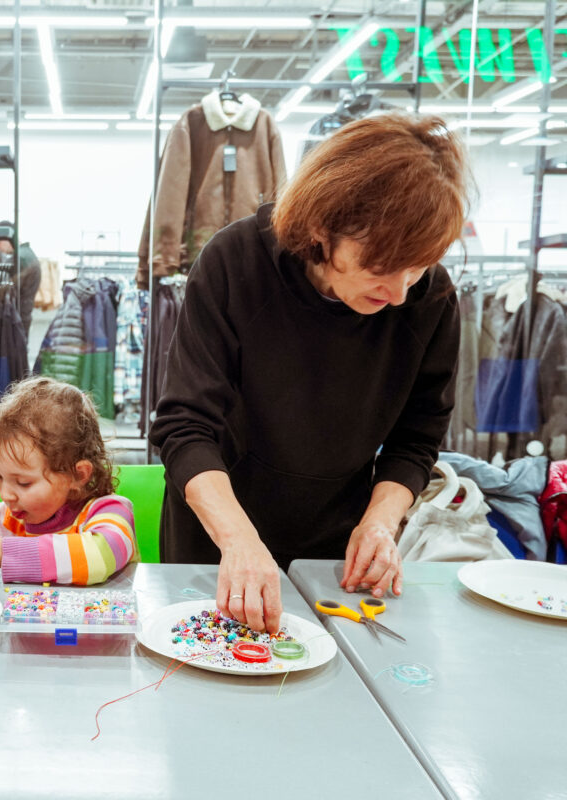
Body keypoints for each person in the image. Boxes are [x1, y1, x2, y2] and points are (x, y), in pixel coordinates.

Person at [150, 113, 471, 633]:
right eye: (380, 267)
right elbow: (185, 426)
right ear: (322, 226)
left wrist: (380, 522)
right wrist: (239, 541)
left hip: (335, 548)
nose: (399, 294)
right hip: (216, 536)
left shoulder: (430, 297)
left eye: (416, 268)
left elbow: (417, 438)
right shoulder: (235, 262)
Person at [0, 376, 137, 585]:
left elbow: (99, 557)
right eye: (0, 476)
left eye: (23, 483)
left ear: (78, 475)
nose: (5, 495)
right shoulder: (7, 519)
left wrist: (4, 553)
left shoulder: (111, 512)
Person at [0, 220, 42, 342]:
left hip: (14, 323)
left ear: (8, 238)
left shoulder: (19, 259)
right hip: (22, 319)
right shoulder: (27, 254)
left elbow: (5, 294)